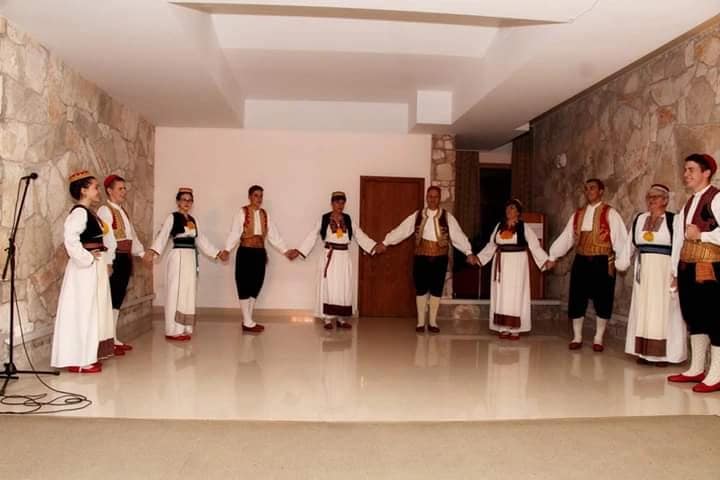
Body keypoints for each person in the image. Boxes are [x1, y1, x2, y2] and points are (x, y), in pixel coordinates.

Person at [374, 186, 478, 333]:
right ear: (426, 198)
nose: (432, 199)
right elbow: (402, 230)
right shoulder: (417, 216)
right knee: (421, 288)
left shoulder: (447, 217)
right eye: (430, 196)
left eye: (435, 197)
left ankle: (433, 322)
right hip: (421, 257)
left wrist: (468, 252)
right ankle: (421, 322)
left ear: (439, 199)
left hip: (440, 258)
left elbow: (457, 235)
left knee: (436, 289)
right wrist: (386, 242)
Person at [547, 178, 629, 352]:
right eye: (586, 189)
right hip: (581, 260)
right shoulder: (577, 214)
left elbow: (620, 239)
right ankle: (577, 336)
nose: (589, 191)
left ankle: (598, 338)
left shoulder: (610, 213)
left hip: (602, 261)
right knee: (577, 297)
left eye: (592, 188)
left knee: (603, 298)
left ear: (601, 191)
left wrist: (621, 261)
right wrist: (553, 255)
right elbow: (567, 237)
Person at [51, 170, 115, 373]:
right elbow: (70, 240)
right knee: (83, 310)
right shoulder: (79, 213)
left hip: (92, 267)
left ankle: (87, 354)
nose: (98, 191)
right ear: (83, 190)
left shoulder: (89, 212)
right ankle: (78, 359)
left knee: (91, 310)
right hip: (83, 270)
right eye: (95, 187)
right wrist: (87, 258)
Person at [617, 184, 686, 366]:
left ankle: (664, 355)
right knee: (643, 308)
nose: (651, 200)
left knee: (663, 310)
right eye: (649, 197)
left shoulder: (674, 220)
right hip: (644, 270)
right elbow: (630, 243)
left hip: (664, 271)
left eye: (656, 197)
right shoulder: (640, 219)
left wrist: (676, 274)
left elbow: (679, 247)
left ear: (665, 200)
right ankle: (643, 352)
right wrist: (621, 263)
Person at [668, 154, 720, 393]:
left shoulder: (717, 198)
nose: (686, 174)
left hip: (710, 268)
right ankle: (697, 368)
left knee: (715, 319)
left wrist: (702, 235)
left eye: (691, 169)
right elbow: (679, 240)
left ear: (706, 172)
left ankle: (716, 374)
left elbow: (700, 234)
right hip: (687, 267)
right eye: (685, 169)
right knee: (694, 317)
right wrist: (674, 271)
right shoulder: (688, 203)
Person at [146, 187, 222, 341]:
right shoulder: (172, 217)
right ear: (178, 202)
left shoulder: (193, 220)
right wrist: (153, 251)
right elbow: (163, 235)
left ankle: (185, 327)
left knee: (188, 291)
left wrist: (217, 252)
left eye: (189, 200)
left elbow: (200, 239)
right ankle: (172, 330)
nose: (187, 203)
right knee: (176, 292)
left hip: (190, 258)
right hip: (178, 257)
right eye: (183, 200)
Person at [294, 191, 378, 329]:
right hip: (329, 256)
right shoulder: (324, 219)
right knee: (328, 287)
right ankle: (327, 319)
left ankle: (341, 318)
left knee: (343, 287)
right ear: (332, 203)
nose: (340, 205)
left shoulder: (348, 219)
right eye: (337, 202)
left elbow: (359, 235)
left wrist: (373, 246)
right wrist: (300, 250)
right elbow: (312, 235)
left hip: (344, 258)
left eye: (342, 202)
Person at [219, 185, 296, 333]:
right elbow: (235, 232)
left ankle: (248, 320)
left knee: (256, 284)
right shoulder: (242, 212)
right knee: (244, 284)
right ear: (249, 197)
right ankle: (248, 321)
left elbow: (273, 235)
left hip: (259, 253)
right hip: (245, 252)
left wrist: (285, 251)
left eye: (261, 196)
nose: (259, 199)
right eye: (256, 195)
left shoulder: (265, 214)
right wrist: (227, 249)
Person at [476, 199, 550, 339]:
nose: (508, 210)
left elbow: (534, 246)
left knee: (516, 293)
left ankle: (516, 328)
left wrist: (546, 261)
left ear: (518, 212)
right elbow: (491, 245)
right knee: (501, 293)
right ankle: (503, 327)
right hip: (501, 263)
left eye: (512, 208)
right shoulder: (499, 226)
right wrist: (479, 258)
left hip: (517, 263)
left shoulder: (524, 227)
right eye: (507, 208)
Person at [97, 174, 146, 356]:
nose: (124, 192)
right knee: (110, 298)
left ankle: (113, 337)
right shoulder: (105, 210)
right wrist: (109, 261)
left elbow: (131, 235)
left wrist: (141, 253)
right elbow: (107, 238)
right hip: (115, 258)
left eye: (124, 188)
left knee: (117, 299)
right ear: (109, 190)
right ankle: (105, 340)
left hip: (124, 258)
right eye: (120, 188)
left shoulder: (122, 211)